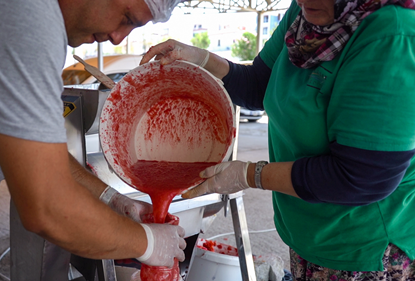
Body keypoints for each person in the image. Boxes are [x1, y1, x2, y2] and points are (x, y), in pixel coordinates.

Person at [140, 0, 415, 279]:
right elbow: (259, 85)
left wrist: (251, 174)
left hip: (365, 247)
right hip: (307, 233)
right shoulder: (304, 16)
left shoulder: (391, 35)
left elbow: (362, 176)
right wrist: (200, 58)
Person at [0, 0, 187, 280]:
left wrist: (112, 199)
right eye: (127, 18)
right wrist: (148, 243)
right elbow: (47, 208)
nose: (118, 37)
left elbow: (38, 152)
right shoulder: (24, 13)